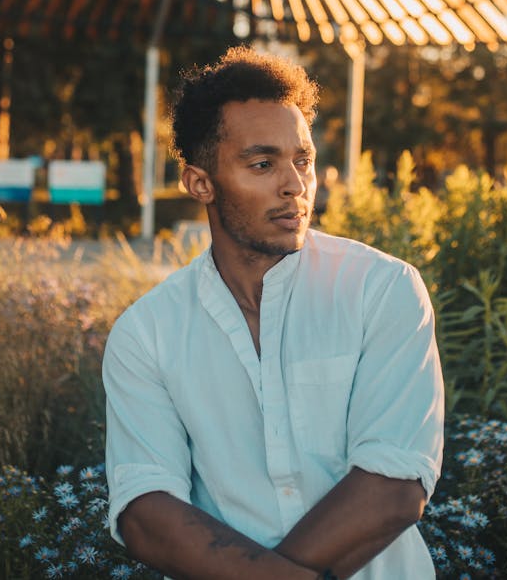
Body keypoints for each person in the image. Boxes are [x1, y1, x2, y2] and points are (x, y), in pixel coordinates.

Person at [102, 46, 444, 580]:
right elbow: (146, 511)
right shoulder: (147, 334)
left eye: (302, 160)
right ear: (200, 183)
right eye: (262, 163)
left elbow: (395, 486)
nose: (295, 185)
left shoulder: (381, 289)